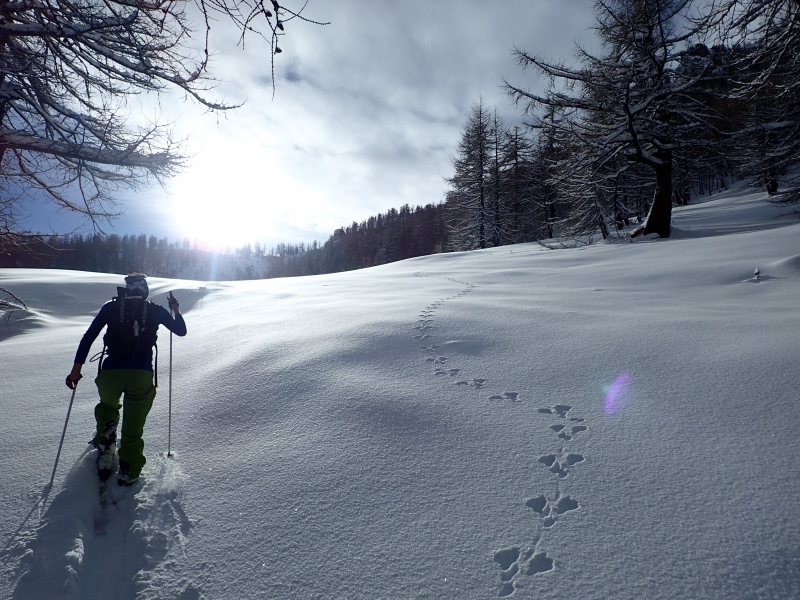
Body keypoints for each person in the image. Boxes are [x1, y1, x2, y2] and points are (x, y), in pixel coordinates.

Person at [65, 274, 187, 485]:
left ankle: (105, 449)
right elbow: (181, 331)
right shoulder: (155, 310)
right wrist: (174, 309)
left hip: (111, 372)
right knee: (133, 423)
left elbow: (88, 337)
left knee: (108, 408)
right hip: (141, 374)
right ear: (145, 290)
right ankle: (128, 471)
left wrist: (76, 370)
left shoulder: (111, 308)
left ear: (126, 289)